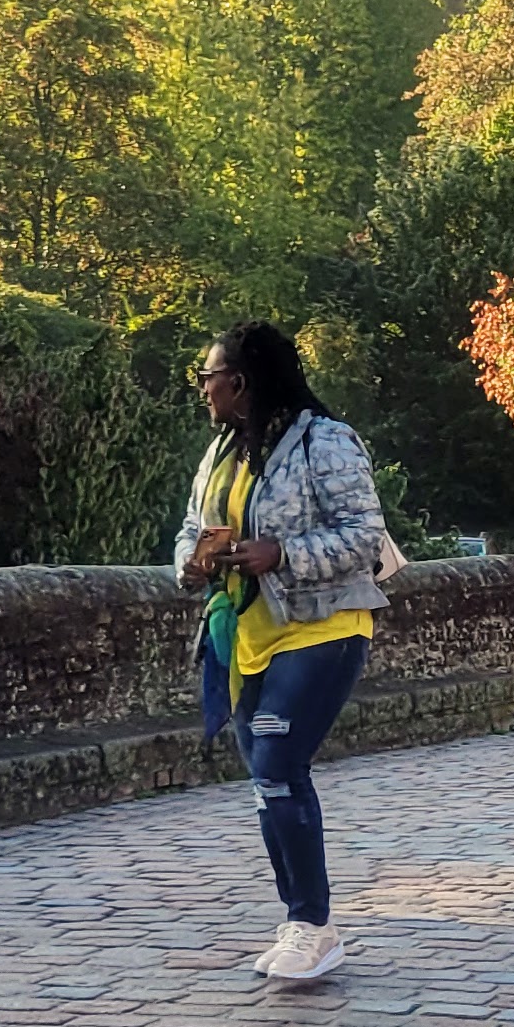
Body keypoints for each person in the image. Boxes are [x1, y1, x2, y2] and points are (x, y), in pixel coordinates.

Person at [177, 324, 393, 984]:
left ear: (239, 381)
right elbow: (191, 526)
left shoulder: (324, 440)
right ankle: (299, 921)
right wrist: (191, 562)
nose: (203, 389)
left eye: (209, 377)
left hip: (323, 626)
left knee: (276, 759)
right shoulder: (221, 452)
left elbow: (365, 535)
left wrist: (283, 553)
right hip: (245, 632)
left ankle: (313, 924)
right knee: (266, 779)